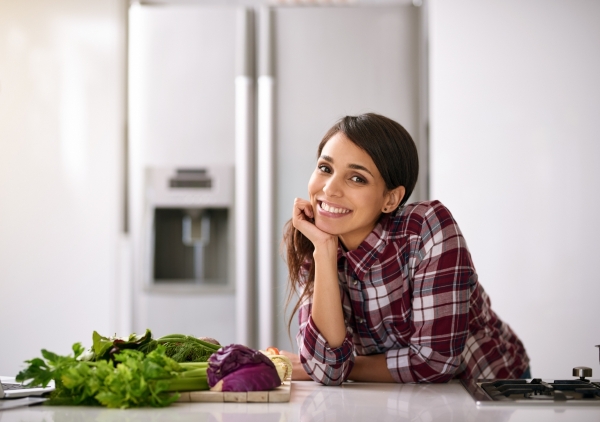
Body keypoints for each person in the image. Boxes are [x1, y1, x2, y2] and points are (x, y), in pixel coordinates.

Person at [280, 113, 529, 385]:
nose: (329, 189)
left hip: (490, 389)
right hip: (397, 396)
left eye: (357, 179)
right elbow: (327, 371)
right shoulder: (317, 244)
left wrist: (344, 366)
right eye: (325, 169)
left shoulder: (426, 229)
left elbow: (435, 362)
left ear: (391, 199)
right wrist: (324, 253)